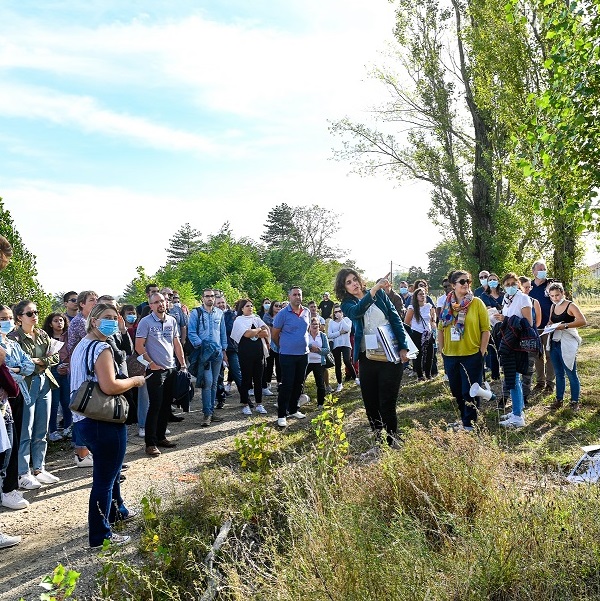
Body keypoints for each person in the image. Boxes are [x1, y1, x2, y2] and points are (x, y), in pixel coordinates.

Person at [70, 302, 145, 548]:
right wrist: (134, 380)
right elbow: (110, 387)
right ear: (94, 320)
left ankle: (117, 511)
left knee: (110, 473)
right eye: (107, 317)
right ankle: (101, 535)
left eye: (116, 317)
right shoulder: (101, 348)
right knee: (105, 479)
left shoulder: (83, 344)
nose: (113, 321)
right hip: (101, 419)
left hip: (83, 419)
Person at [337, 269, 409, 445]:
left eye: (355, 279)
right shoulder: (347, 303)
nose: (354, 284)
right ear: (344, 288)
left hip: (389, 355)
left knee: (387, 400)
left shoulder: (381, 296)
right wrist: (373, 291)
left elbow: (395, 319)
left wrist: (404, 347)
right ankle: (379, 441)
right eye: (348, 282)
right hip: (367, 358)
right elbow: (356, 312)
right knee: (371, 402)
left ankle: (392, 439)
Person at [8, 300, 60, 488]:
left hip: (44, 382)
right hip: (26, 385)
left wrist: (39, 360)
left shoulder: (42, 334)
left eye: (36, 312)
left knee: (41, 428)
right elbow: (18, 362)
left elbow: (55, 356)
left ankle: (39, 468)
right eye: (30, 313)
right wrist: (37, 361)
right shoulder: (13, 338)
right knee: (25, 430)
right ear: (20, 317)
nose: (35, 316)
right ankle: (23, 473)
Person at [135, 293, 186, 456]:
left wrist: (182, 364)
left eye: (162, 301)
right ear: (150, 306)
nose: (160, 304)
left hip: (171, 367)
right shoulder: (145, 322)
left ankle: (161, 437)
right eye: (156, 302)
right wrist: (151, 364)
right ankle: (150, 443)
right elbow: (138, 346)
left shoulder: (172, 320)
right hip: (155, 371)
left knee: (166, 405)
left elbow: (176, 343)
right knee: (155, 406)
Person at [438, 270, 490, 431]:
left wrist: (481, 352)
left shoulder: (476, 303)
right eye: (462, 281)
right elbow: (440, 328)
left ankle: (470, 424)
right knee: (457, 391)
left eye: (468, 281)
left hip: (471, 355)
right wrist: (442, 350)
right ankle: (465, 419)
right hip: (451, 356)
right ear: (453, 285)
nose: (466, 284)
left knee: (470, 392)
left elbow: (486, 330)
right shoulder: (447, 304)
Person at [0, 305, 35, 511]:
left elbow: (28, 365)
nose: (7, 321)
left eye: (10, 318)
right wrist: (15, 372)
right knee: (4, 449)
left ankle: (10, 487)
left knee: (14, 444)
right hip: (4, 399)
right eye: (3, 318)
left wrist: (13, 370)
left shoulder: (11, 342)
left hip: (17, 395)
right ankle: (6, 489)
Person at [493, 273, 533, 428]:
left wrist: (506, 320)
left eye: (513, 283)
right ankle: (518, 410)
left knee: (514, 379)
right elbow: (508, 317)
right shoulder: (506, 299)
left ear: (518, 284)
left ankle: (517, 416)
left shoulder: (523, 298)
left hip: (518, 343)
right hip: (508, 341)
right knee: (512, 377)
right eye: (507, 284)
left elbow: (528, 323)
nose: (510, 286)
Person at [187, 289, 228, 427]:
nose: (210, 298)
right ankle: (207, 413)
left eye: (212, 296)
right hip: (204, 353)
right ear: (202, 298)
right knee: (207, 382)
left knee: (215, 382)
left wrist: (224, 350)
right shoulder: (196, 313)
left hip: (217, 353)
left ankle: (211, 411)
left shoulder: (219, 313)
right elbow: (191, 332)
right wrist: (201, 345)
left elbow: (223, 333)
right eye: (207, 296)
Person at [272, 287, 311, 428]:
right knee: (287, 384)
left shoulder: (306, 312)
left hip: (303, 354)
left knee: (299, 383)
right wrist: (283, 345)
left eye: (299, 294)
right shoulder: (282, 314)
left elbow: (305, 331)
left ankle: (294, 409)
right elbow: (275, 334)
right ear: (289, 297)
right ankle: (282, 414)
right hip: (287, 355)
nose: (297, 297)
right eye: (294, 294)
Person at [545, 282, 587, 411]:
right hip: (554, 341)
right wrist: (549, 325)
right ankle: (559, 400)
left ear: (563, 293)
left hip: (567, 341)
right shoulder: (553, 306)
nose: (555, 298)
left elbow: (583, 321)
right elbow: (551, 321)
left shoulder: (570, 305)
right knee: (558, 373)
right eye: (552, 296)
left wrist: (565, 326)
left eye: (557, 295)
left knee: (571, 372)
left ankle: (575, 401)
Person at [231, 299, 270, 416]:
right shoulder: (239, 320)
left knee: (259, 379)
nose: (250, 308)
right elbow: (246, 334)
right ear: (242, 308)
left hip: (258, 354)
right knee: (246, 380)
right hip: (245, 354)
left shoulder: (256, 319)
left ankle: (259, 403)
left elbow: (266, 332)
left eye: (251, 306)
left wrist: (255, 332)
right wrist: (258, 330)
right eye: (247, 306)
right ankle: (245, 404)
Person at [42, 312, 72, 442]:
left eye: (61, 320)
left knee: (67, 401)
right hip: (52, 371)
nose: (59, 323)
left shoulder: (69, 336)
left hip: (67, 370)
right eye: (56, 320)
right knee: (54, 403)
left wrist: (67, 365)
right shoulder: (46, 338)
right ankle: (53, 430)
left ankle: (68, 428)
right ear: (50, 323)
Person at [528, 260, 555, 393]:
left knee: (550, 355)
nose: (543, 271)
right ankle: (540, 381)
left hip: (550, 326)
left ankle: (550, 383)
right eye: (540, 269)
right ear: (533, 272)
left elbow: (558, 301)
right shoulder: (529, 287)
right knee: (538, 355)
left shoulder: (551, 285)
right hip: (535, 327)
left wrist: (552, 319)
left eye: (544, 269)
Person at [404, 287, 436, 380]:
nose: (422, 296)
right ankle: (420, 375)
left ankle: (428, 374)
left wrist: (432, 324)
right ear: (415, 296)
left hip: (427, 333)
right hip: (417, 333)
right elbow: (406, 322)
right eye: (420, 294)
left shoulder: (429, 306)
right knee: (418, 355)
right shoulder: (412, 308)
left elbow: (432, 319)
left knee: (430, 354)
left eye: (424, 294)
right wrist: (414, 328)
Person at [479, 273, 504, 382]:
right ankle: (495, 374)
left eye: (494, 279)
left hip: (504, 324)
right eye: (490, 280)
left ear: (498, 281)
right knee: (493, 349)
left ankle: (504, 368)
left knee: (504, 348)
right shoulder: (484, 296)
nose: (492, 281)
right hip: (491, 326)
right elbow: (489, 309)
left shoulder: (504, 294)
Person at [327, 305, 357, 392]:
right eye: (336, 312)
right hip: (336, 345)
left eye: (339, 311)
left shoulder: (347, 320)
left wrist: (341, 319)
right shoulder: (331, 322)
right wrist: (340, 332)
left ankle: (355, 378)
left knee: (347, 360)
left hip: (346, 344)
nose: (338, 313)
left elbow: (347, 329)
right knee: (338, 364)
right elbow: (330, 335)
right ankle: (339, 384)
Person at [305, 318, 329, 408]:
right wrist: (310, 346)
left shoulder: (322, 336)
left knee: (320, 383)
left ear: (319, 326)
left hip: (319, 362)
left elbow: (327, 350)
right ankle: (297, 400)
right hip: (307, 362)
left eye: (316, 324)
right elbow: (302, 346)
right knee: (300, 381)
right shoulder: (306, 336)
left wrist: (318, 350)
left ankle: (320, 403)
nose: (315, 326)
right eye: (313, 324)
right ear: (309, 326)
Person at [263, 300, 282, 393]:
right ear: (272, 307)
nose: (278, 307)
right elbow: (268, 329)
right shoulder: (267, 316)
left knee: (279, 364)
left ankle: (279, 382)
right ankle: (268, 382)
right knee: (269, 364)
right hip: (269, 342)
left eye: (280, 306)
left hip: (279, 342)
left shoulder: (282, 316)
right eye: (276, 305)